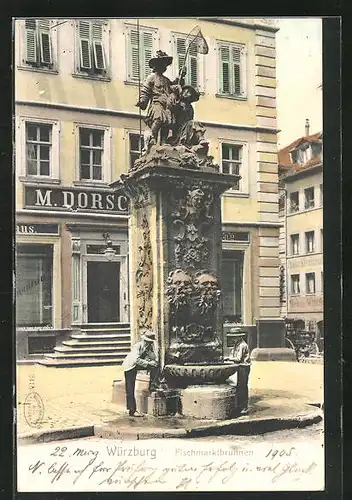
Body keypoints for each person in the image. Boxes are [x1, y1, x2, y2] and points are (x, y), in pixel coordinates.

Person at [136, 50, 186, 147]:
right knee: (158, 119)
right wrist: (143, 101)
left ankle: (163, 142)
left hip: (167, 105)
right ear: (155, 65)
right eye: (161, 63)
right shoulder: (151, 78)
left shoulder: (166, 80)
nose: (163, 66)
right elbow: (145, 90)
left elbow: (175, 86)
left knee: (166, 123)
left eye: (164, 64)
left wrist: (181, 76)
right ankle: (153, 138)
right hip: (157, 103)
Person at [122, 330, 159, 417]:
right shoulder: (137, 346)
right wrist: (148, 363)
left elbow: (153, 357)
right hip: (129, 366)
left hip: (138, 365)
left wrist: (152, 360)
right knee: (130, 388)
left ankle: (152, 386)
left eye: (150, 342)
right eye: (148, 342)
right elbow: (136, 360)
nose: (149, 343)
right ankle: (132, 410)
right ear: (144, 340)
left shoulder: (148, 347)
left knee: (155, 367)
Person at [226, 327, 251, 414]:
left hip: (244, 366)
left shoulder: (242, 345)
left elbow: (238, 358)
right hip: (240, 366)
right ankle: (240, 406)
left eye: (235, 337)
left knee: (243, 386)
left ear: (239, 337)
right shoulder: (237, 344)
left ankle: (244, 407)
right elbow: (232, 353)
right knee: (240, 386)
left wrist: (228, 358)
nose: (234, 339)